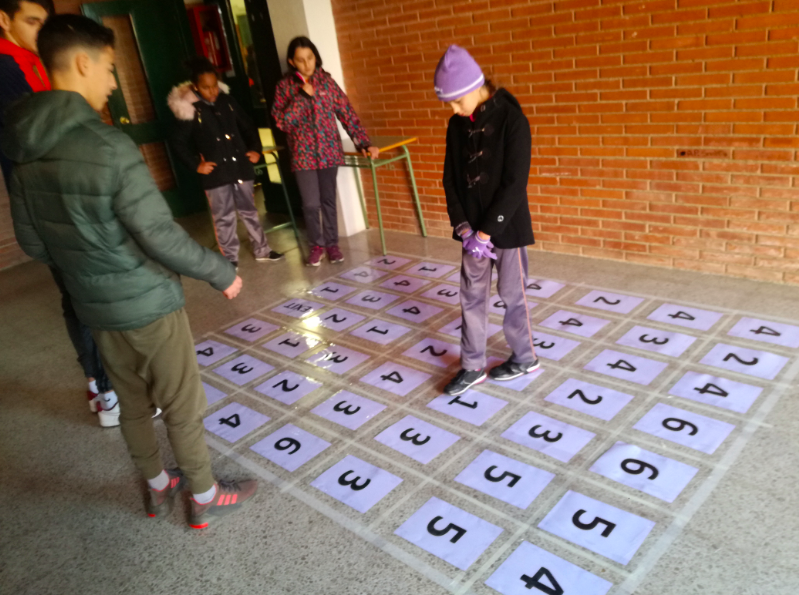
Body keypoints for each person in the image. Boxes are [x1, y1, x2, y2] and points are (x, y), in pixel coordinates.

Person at [3, 14, 257, 528]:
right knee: (181, 403)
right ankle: (203, 495)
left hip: (94, 306)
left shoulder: (24, 151)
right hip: (149, 302)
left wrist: (87, 269)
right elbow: (159, 235)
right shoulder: (108, 147)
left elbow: (33, 242)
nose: (114, 83)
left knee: (133, 404)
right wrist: (220, 272)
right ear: (82, 63)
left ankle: (158, 489)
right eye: (110, 67)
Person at [0, 0, 122, 425]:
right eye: (31, 21)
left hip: (65, 195)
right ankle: (107, 389)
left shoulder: (36, 64)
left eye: (45, 22)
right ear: (4, 20)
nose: (41, 31)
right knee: (84, 294)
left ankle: (99, 383)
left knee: (79, 294)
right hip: (51, 200)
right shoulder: (6, 70)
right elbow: (33, 140)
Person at [435, 45, 539, 396]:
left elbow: (515, 184)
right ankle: (472, 365)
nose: (454, 109)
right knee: (471, 296)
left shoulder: (512, 120)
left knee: (512, 294)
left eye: (456, 100)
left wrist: (486, 231)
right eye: (449, 103)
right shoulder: (456, 125)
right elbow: (450, 180)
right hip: (470, 232)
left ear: (474, 86)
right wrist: (464, 227)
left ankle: (525, 357)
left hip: (506, 229)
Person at [272, 36, 379, 267]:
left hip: (329, 152)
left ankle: (332, 244)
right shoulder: (285, 87)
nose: (307, 64)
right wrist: (302, 97)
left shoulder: (327, 83)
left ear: (315, 57)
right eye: (300, 60)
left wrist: (363, 143)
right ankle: (316, 246)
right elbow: (282, 123)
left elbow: (347, 114)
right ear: (292, 62)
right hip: (303, 156)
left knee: (328, 200)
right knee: (311, 204)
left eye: (310, 58)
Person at [169, 56, 283, 269]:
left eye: (214, 86)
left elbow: (248, 126)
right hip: (216, 174)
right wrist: (196, 165)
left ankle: (262, 250)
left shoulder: (228, 102)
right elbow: (177, 143)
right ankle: (230, 258)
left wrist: (255, 149)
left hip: (240, 167)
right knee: (223, 216)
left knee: (250, 211)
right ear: (195, 86)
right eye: (206, 88)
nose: (212, 91)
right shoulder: (189, 109)